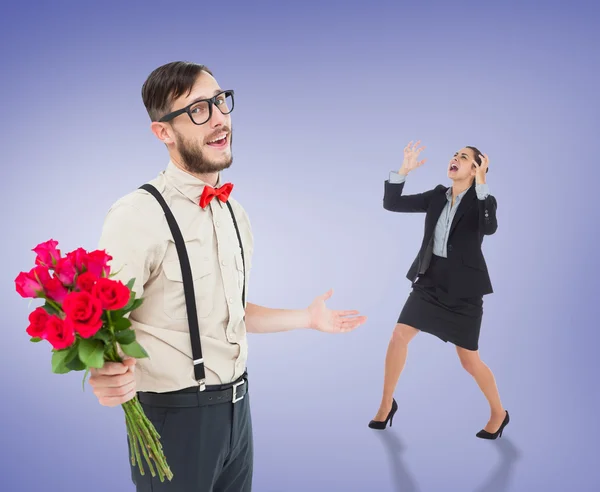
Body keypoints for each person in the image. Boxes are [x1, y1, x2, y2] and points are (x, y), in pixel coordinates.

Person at [89, 61, 367, 491]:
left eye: (220, 101)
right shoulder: (136, 214)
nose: (219, 117)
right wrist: (105, 374)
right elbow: (101, 323)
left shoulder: (234, 213)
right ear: (163, 132)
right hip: (172, 416)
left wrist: (307, 319)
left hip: (239, 410)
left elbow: (228, 311)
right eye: (198, 109)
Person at [368, 141, 509, 439]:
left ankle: (499, 413)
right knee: (398, 336)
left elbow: (490, 226)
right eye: (454, 155)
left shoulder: (482, 200)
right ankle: (385, 404)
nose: (455, 158)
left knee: (469, 361)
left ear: (475, 168)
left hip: (464, 293)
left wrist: (482, 183)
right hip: (430, 282)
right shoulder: (436, 196)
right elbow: (392, 204)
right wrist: (404, 169)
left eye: (464, 157)